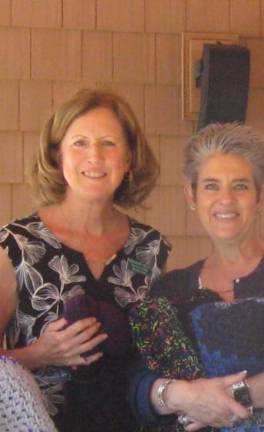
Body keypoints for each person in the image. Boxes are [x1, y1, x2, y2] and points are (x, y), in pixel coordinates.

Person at [129, 123, 264, 430]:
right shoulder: (171, 288)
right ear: (191, 196)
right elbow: (139, 384)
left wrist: (225, 399)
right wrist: (181, 397)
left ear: (260, 196)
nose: (225, 199)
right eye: (211, 185)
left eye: (240, 186)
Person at [0, 88, 170, 431]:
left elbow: (162, 354)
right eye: (79, 142)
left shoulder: (150, 249)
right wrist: (39, 354)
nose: (94, 156)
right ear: (57, 155)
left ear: (128, 159)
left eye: (108, 143)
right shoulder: (16, 245)